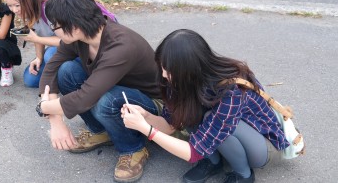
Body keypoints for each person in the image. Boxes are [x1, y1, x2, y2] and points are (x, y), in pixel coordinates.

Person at [122, 29, 290, 183]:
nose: (164, 75)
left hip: (261, 146)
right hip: (221, 134)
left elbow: (193, 152)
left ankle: (243, 175)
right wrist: (146, 117)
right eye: (162, 68)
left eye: (168, 70)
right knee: (188, 109)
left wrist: (146, 129)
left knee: (211, 118)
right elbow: (170, 126)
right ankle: (212, 161)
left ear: (188, 69)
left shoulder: (231, 90)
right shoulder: (179, 82)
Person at [35, 0, 162, 183]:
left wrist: (44, 107)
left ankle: (133, 148)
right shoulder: (81, 36)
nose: (54, 30)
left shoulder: (121, 46)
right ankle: (102, 131)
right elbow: (51, 68)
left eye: (55, 25)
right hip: (117, 89)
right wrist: (55, 121)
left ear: (74, 25)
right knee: (67, 71)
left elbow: (86, 97)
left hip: (152, 104)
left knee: (106, 100)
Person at [1, 0, 64, 88]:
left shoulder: (50, 7)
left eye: (17, 5)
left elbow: (67, 40)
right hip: (58, 49)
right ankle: (59, 77)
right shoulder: (29, 9)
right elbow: (37, 33)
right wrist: (38, 57)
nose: (14, 10)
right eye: (10, 6)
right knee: (30, 80)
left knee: (50, 55)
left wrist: (36, 39)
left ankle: (68, 81)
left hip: (77, 48)